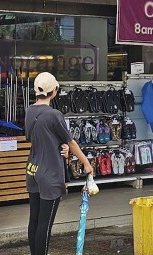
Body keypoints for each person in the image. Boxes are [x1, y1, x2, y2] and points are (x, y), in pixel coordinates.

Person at [25, 72, 94, 255]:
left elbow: (35, 137)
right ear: (54, 91)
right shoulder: (54, 114)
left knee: (35, 221)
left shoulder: (29, 111)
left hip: (33, 169)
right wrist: (86, 163)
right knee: (45, 225)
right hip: (50, 173)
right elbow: (71, 142)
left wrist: (59, 145)